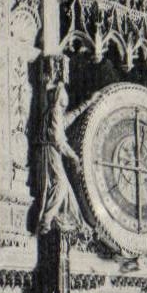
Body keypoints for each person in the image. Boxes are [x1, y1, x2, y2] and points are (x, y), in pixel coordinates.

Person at [37, 80, 88, 236]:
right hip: (51, 152)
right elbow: (58, 141)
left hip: (51, 151)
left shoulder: (56, 111)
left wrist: (87, 104)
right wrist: (74, 157)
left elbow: (66, 121)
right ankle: (46, 220)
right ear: (59, 96)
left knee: (63, 188)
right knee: (60, 185)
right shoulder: (55, 111)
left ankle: (61, 220)